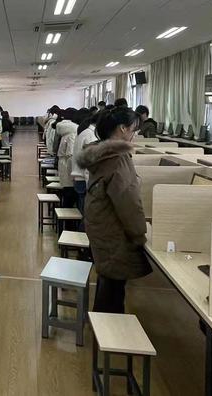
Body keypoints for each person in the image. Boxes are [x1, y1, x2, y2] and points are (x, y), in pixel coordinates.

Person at [77, 108, 152, 313]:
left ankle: (99, 323)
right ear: (122, 129)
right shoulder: (118, 158)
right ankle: (105, 328)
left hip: (101, 226)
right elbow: (128, 201)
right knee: (113, 291)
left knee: (107, 282)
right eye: (134, 129)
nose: (135, 134)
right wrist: (139, 233)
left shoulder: (101, 154)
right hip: (113, 231)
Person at [72, 112, 99, 214]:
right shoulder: (91, 136)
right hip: (84, 179)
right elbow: (89, 165)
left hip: (80, 177)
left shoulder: (85, 132)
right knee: (85, 215)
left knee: (82, 212)